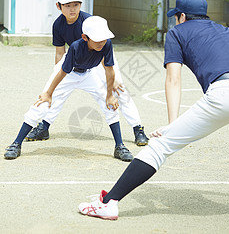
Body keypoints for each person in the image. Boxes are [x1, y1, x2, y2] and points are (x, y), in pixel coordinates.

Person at [78, 0, 229, 220]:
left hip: (224, 93)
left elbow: (173, 79)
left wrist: (173, 126)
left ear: (181, 16)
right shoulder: (228, 31)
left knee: (159, 147)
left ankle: (109, 202)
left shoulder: (177, 32)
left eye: (176, 16)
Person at [25, 0, 148, 147]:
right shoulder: (58, 25)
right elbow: (59, 52)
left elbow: (102, 49)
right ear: (58, 6)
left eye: (76, 5)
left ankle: (137, 128)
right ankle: (44, 127)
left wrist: (113, 77)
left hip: (101, 58)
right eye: (67, 5)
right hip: (77, 59)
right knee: (56, 92)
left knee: (119, 90)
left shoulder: (89, 21)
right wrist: (58, 73)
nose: (72, 9)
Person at [4, 16, 134, 161]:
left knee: (109, 104)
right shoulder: (76, 47)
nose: (101, 42)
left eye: (104, 38)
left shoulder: (106, 44)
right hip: (69, 73)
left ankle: (119, 146)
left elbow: (109, 70)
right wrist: (48, 93)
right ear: (85, 37)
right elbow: (62, 72)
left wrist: (109, 95)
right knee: (42, 103)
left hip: (89, 74)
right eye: (97, 39)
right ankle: (16, 144)